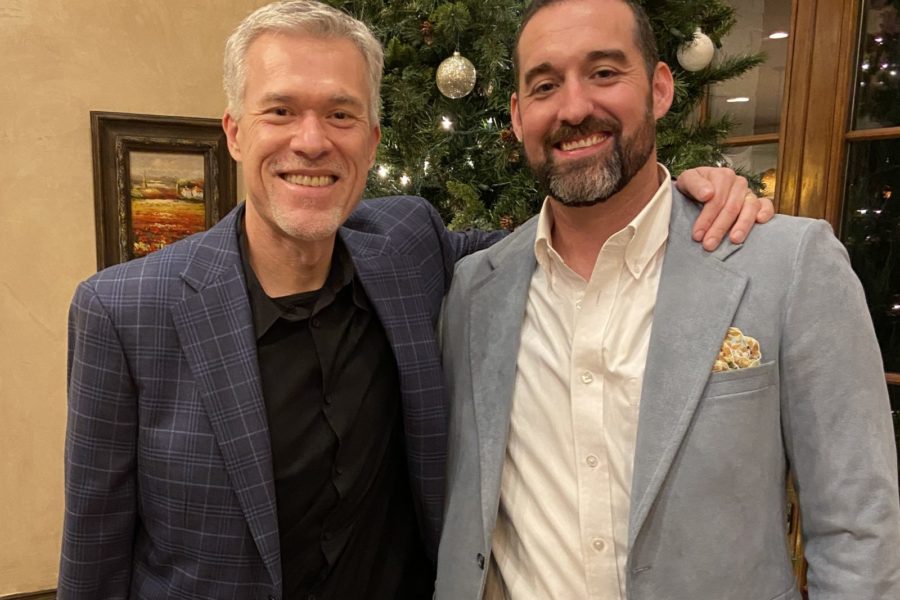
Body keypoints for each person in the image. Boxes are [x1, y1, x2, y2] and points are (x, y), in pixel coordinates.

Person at [58, 1, 770, 599]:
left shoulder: (408, 250)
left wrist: (682, 191)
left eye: (341, 115)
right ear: (237, 132)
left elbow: (564, 236)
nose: (312, 142)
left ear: (370, 140)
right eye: (280, 110)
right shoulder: (126, 311)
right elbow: (93, 556)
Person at [435, 0, 900, 599]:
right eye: (546, 84)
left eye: (604, 73)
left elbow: (858, 525)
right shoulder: (473, 290)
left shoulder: (788, 265)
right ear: (519, 116)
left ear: (658, 89)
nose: (575, 108)